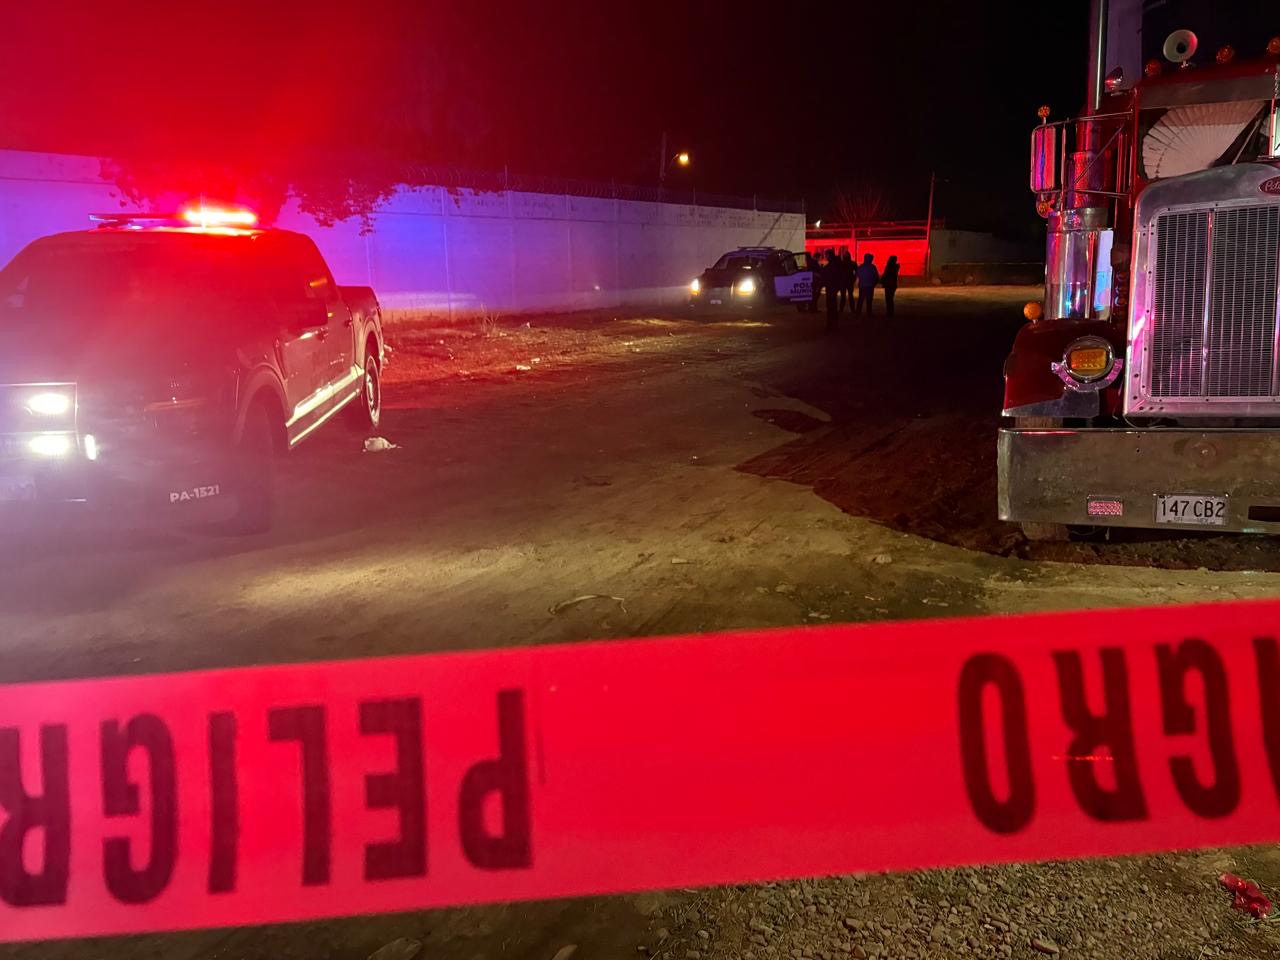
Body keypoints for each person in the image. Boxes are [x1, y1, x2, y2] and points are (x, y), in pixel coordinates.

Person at [840, 249, 855, 313]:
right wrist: (854, 278)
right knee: (849, 296)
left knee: (845, 296)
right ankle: (852, 309)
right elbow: (856, 272)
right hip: (848, 281)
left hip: (845, 282)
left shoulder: (841, 263)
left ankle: (842, 309)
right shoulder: (852, 263)